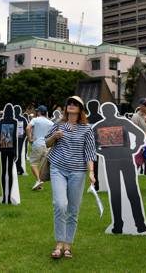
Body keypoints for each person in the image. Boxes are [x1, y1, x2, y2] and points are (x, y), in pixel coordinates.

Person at [45, 96, 96, 259]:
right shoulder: (58, 125)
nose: (71, 106)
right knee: (60, 204)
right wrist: (54, 137)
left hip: (78, 171)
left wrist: (91, 172)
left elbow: (89, 152)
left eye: (75, 104)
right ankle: (59, 243)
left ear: (81, 109)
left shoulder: (87, 129)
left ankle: (68, 245)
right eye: (69, 104)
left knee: (73, 209)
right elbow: (45, 143)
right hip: (58, 169)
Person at [26, 105, 54, 191]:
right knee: (42, 166)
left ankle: (38, 180)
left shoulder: (35, 119)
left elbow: (27, 128)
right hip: (47, 145)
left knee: (33, 163)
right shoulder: (51, 123)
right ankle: (39, 183)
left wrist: (30, 138)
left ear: (39, 112)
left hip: (37, 143)